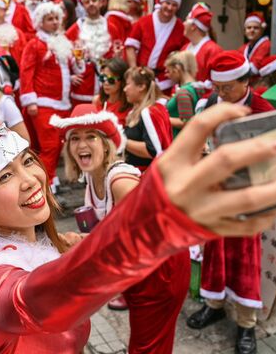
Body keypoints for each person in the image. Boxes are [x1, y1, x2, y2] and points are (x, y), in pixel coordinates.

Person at [0, 52, 276, 353]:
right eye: (4, 176)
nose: (31, 179)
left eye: (28, 162)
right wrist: (154, 225)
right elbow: (36, 300)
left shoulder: (44, 248)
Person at [54, 104, 189, 353]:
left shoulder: (119, 178)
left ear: (106, 144)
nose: (82, 145)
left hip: (161, 272)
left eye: (91, 136)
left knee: (147, 346)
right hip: (138, 273)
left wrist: (84, 243)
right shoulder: (92, 177)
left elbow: (146, 233)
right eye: (75, 138)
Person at [187, 50, 275, 354]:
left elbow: (273, 160)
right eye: (217, 88)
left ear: (245, 81)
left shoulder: (262, 109)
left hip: (248, 196)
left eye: (227, 88)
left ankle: (246, 324)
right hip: (216, 192)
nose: (221, 94)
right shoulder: (211, 104)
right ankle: (213, 304)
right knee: (213, 251)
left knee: (245, 258)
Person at [19, 2, 85, 194]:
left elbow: (69, 68)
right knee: (50, 145)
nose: (55, 22)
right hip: (43, 102)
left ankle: (50, 178)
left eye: (57, 18)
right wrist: (30, 100)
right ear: (41, 22)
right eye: (50, 19)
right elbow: (26, 72)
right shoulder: (35, 44)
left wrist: (77, 66)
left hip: (62, 103)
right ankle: (44, 182)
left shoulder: (63, 41)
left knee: (57, 145)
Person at [66, 0, 123, 106]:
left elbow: (119, 54)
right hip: (82, 86)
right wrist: (70, 76)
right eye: (87, 2)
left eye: (94, 0)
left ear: (101, 3)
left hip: (107, 83)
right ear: (83, 6)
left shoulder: (112, 27)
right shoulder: (74, 28)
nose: (91, 3)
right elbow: (64, 55)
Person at [125, 0, 188, 92]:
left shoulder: (180, 27)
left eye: (174, 5)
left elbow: (184, 54)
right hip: (142, 74)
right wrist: (134, 69)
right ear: (161, 3)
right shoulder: (144, 21)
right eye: (167, 3)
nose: (170, 7)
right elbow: (130, 46)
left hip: (166, 80)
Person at [123, 67, 173, 172]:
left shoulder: (149, 112)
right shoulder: (136, 112)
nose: (124, 89)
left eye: (128, 84)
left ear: (141, 86)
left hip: (146, 177)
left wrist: (121, 141)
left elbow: (153, 151)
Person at [165, 50, 207, 137]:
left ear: (177, 69)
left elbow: (187, 123)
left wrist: (163, 118)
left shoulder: (183, 92)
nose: (168, 76)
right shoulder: (197, 88)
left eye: (169, 71)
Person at [182, 3, 223, 84]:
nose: (183, 23)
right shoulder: (185, 47)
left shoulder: (213, 50)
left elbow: (217, 82)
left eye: (186, 20)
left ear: (193, 26)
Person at [94, 57, 132, 126]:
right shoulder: (97, 100)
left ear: (122, 81)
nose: (106, 83)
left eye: (111, 79)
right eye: (103, 78)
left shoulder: (130, 106)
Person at [238, 12, 270, 80]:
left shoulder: (266, 45)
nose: (252, 30)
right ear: (245, 31)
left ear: (262, 31)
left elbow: (255, 68)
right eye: (249, 28)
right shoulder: (243, 48)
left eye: (256, 28)